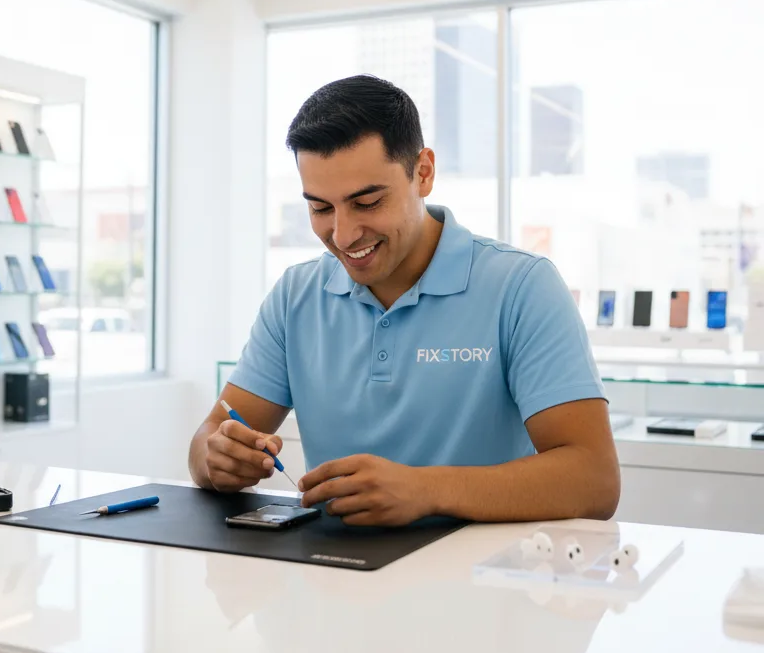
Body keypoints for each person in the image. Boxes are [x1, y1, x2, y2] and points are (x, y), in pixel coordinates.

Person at [189, 74, 620, 526]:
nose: (343, 234)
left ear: (424, 173)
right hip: (333, 579)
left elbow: (594, 480)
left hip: (481, 584)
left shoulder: (522, 287)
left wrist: (425, 490)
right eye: (320, 208)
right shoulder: (295, 296)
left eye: (368, 202)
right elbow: (208, 437)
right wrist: (216, 459)